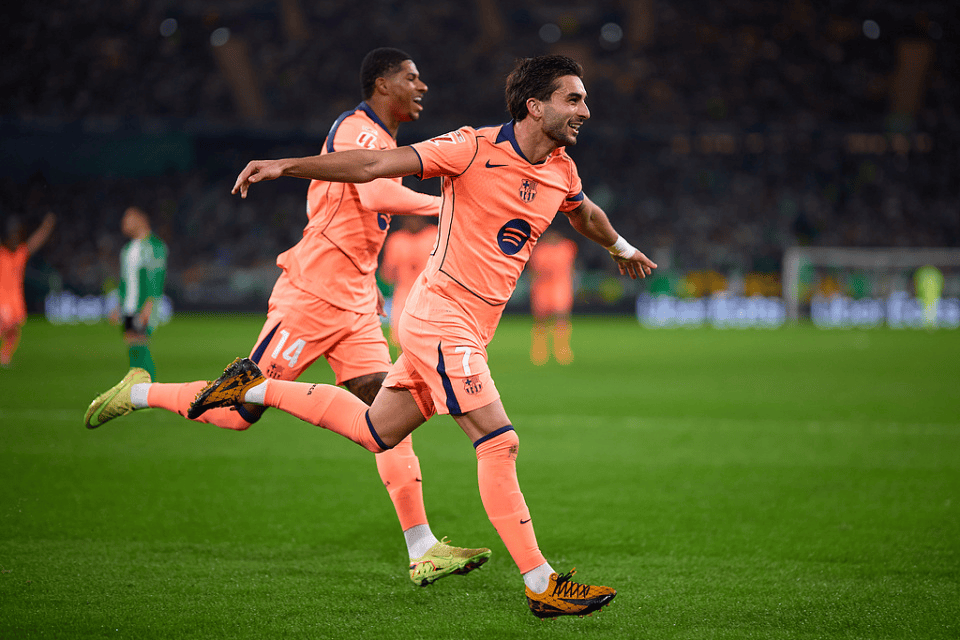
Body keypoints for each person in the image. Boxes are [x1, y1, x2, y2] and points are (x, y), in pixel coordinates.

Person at [193, 54, 657, 618]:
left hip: (469, 326)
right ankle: (542, 583)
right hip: (441, 315)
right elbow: (373, 164)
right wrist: (286, 166)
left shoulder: (561, 169)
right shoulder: (470, 147)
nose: (586, 110)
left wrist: (621, 248)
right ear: (536, 106)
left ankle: (252, 387)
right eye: (574, 99)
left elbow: (583, 214)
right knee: (499, 440)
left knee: (375, 431)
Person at [84, 48, 491, 587]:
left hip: (354, 302)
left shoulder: (386, 142)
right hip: (311, 295)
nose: (423, 87)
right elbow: (374, 194)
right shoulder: (358, 129)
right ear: (382, 83)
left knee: (386, 418)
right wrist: (448, 206)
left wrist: (369, 285)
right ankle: (138, 391)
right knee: (237, 411)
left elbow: (363, 221)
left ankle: (423, 549)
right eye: (412, 78)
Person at [111, 206, 168, 381]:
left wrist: (149, 305)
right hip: (128, 306)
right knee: (132, 346)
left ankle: (149, 386)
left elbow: (156, 277)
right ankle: (137, 385)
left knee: (140, 345)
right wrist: (118, 305)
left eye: (127, 220)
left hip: (142, 305)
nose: (123, 224)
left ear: (140, 221)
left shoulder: (154, 246)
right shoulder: (127, 249)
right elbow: (124, 280)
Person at [0, 212, 56, 368]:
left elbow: (35, 242)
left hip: (15, 299)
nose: (14, 240)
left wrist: (46, 227)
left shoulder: (20, 254)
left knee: (14, 331)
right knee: (5, 327)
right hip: (2, 299)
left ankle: (4, 357)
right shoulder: (2, 254)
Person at [379, 215, 438, 347]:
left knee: (431, 345)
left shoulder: (434, 235)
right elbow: (387, 276)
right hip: (404, 298)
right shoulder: (396, 240)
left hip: (430, 296)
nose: (413, 221)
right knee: (405, 346)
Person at [527, 228, 577, 365]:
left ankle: (562, 349)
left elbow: (571, 268)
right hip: (542, 286)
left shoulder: (567, 247)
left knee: (561, 317)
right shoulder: (539, 249)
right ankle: (539, 350)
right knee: (541, 319)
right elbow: (534, 270)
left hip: (561, 286)